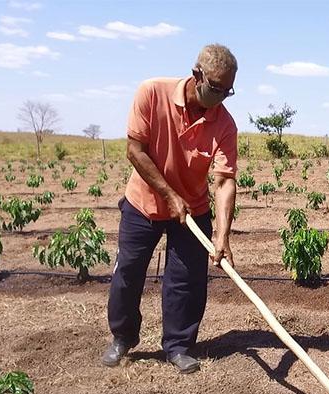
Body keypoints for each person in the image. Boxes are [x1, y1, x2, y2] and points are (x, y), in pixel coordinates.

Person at [102, 44, 239, 373]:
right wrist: (167, 193)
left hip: (191, 209)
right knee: (128, 273)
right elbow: (135, 150)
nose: (221, 97)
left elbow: (224, 182)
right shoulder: (151, 93)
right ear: (197, 76)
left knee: (187, 280)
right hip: (143, 203)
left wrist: (222, 236)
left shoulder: (224, 124)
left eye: (228, 90)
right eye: (216, 88)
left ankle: (178, 345)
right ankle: (123, 337)